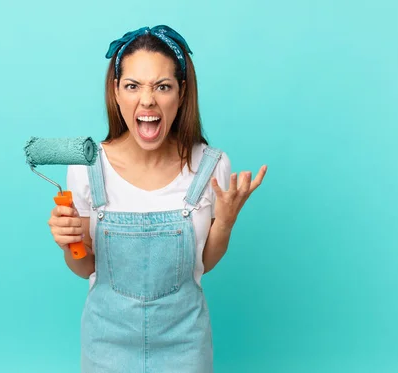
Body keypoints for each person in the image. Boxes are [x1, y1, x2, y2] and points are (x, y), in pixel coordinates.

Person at [48, 25, 267, 373]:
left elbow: (204, 264)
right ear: (116, 92)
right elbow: (85, 267)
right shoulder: (87, 166)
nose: (147, 100)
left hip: (185, 342)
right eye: (132, 86)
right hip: (106, 342)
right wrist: (67, 242)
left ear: (181, 94)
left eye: (162, 86)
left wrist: (225, 222)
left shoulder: (211, 166)